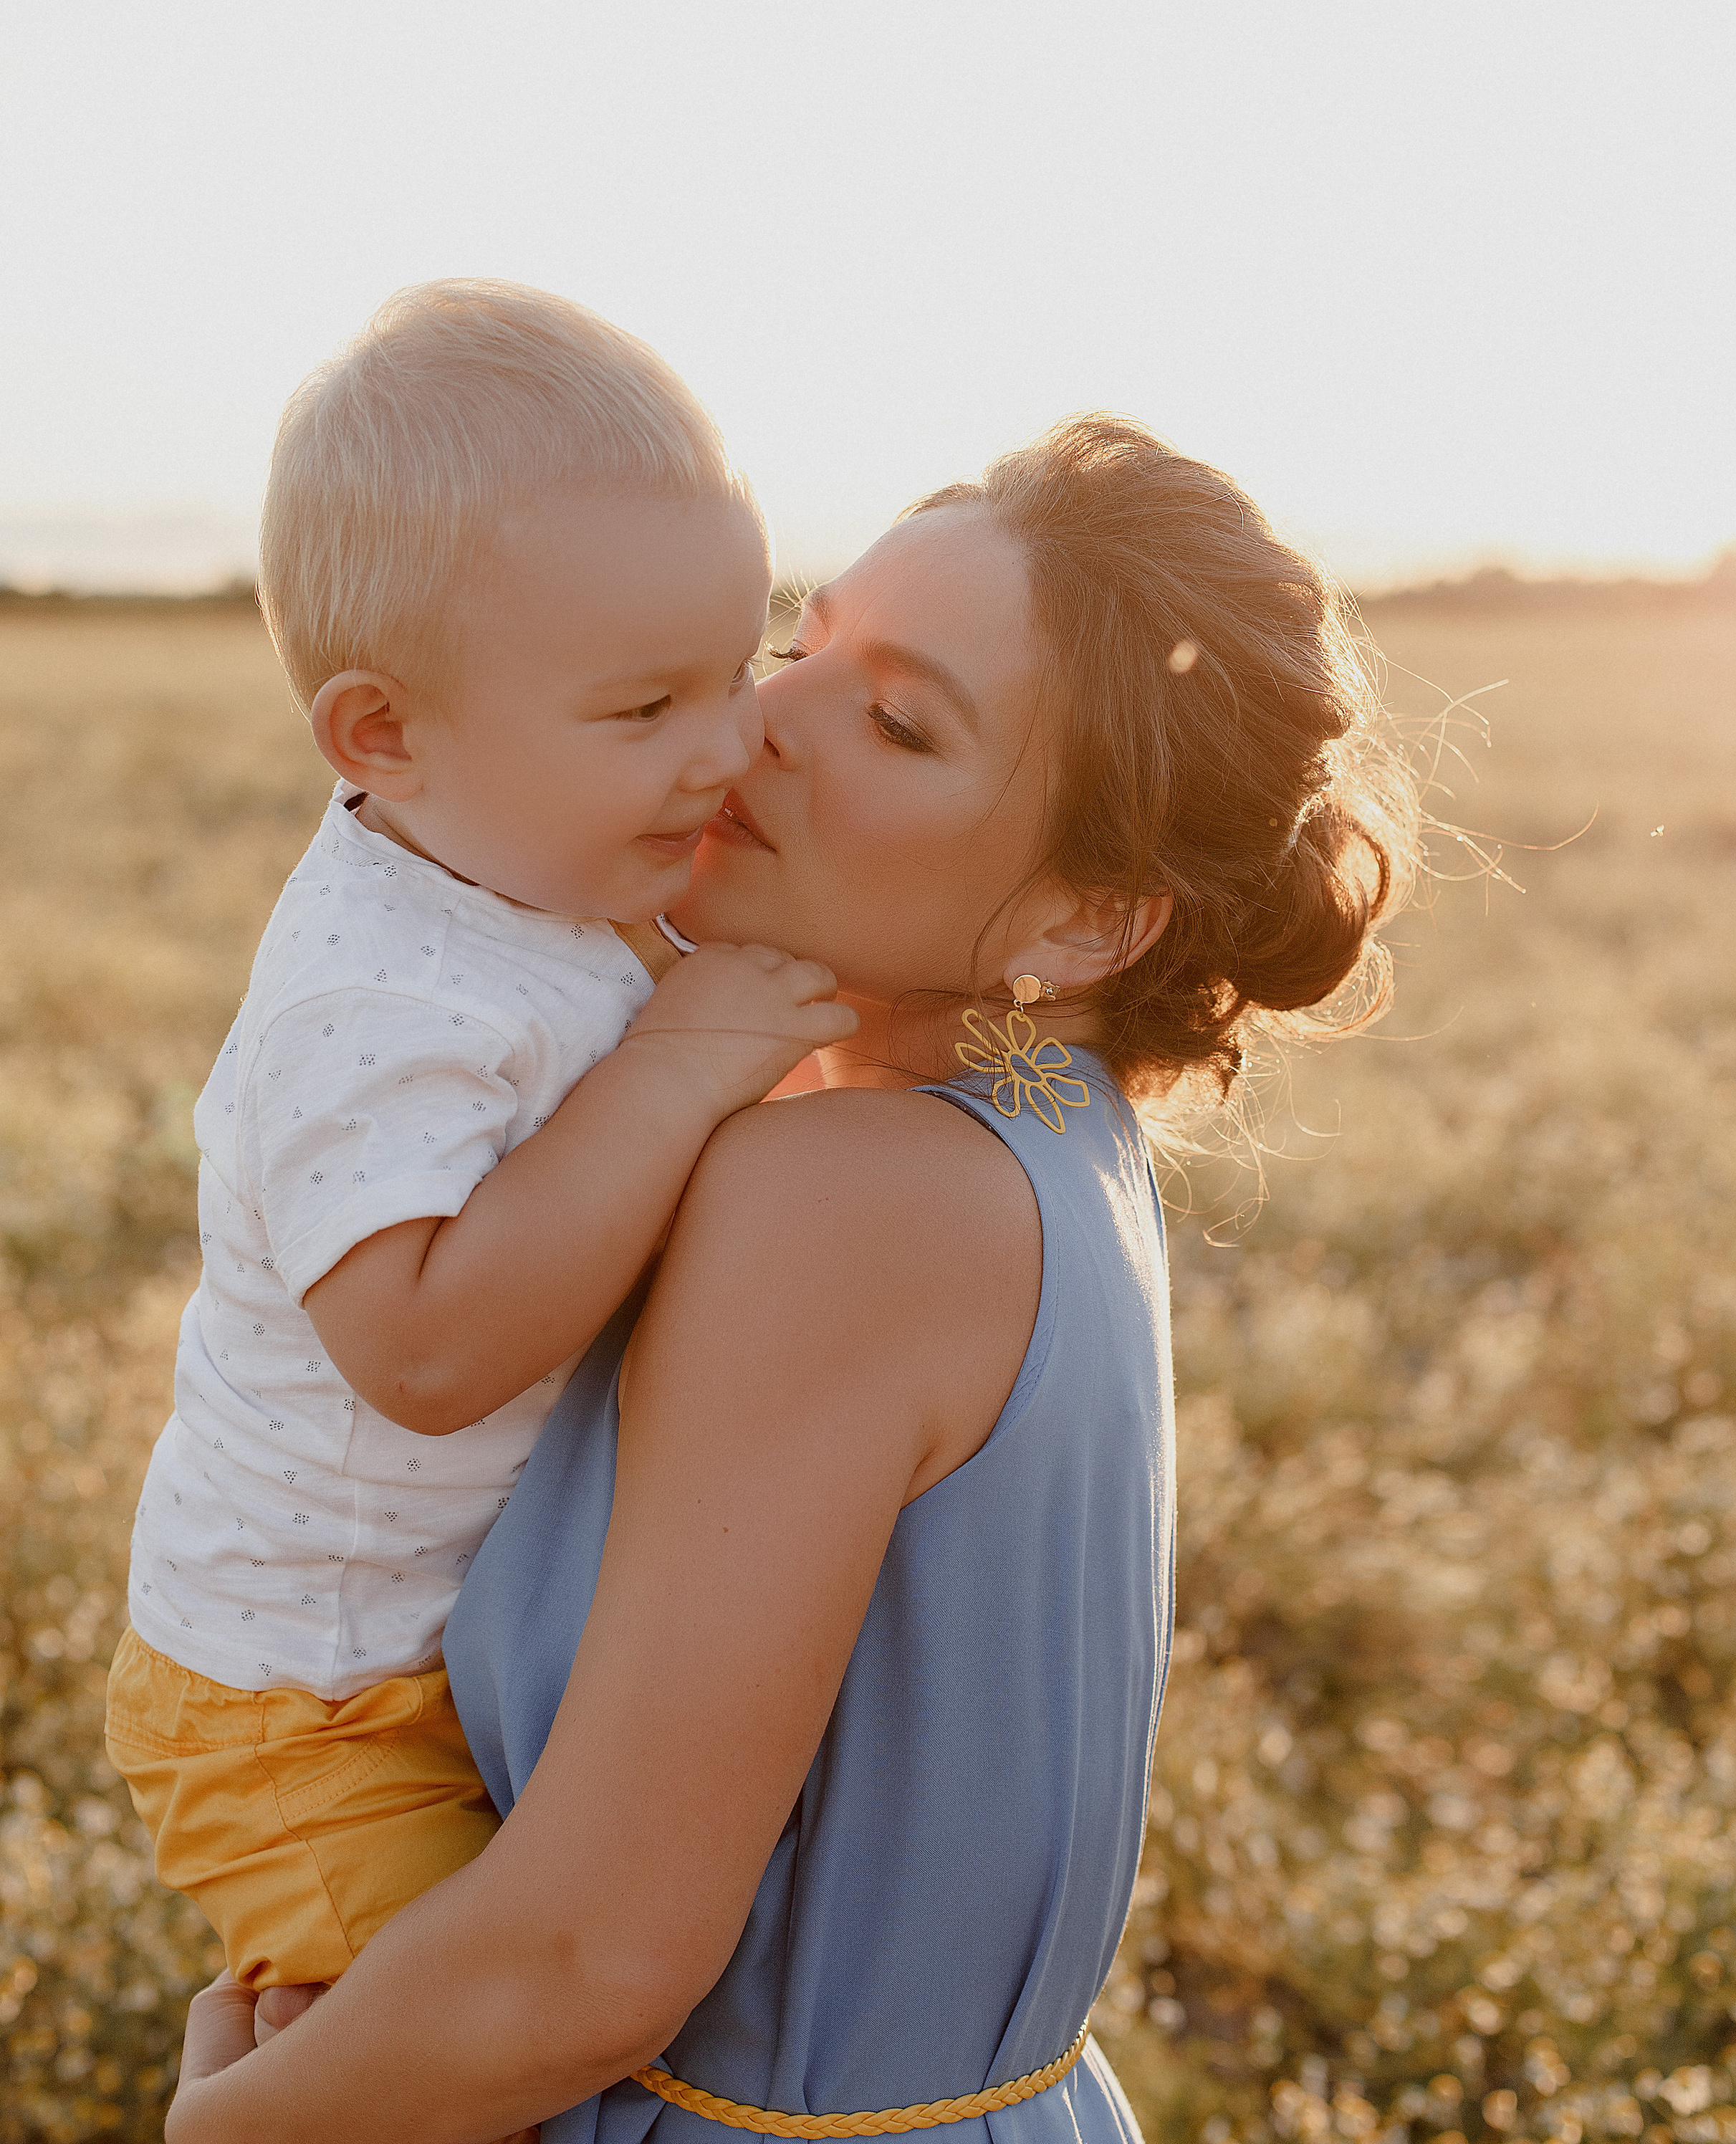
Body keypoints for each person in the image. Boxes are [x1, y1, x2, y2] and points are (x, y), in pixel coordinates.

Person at [166, 415, 1416, 2144]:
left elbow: (591, 1964)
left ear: (1084, 922)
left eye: (897, 721)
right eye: (803, 643)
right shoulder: (1043, 1131)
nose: (758, 722)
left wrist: (226, 2131)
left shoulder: (837, 1197)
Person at [107, 281, 856, 2013]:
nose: (728, 741)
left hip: (467, 1646)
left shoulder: (546, 864)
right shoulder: (369, 1002)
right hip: (304, 1702)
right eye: (643, 707)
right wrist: (675, 1069)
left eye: (741, 671)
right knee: (466, 2058)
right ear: (385, 738)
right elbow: (429, 1353)